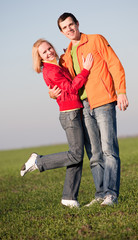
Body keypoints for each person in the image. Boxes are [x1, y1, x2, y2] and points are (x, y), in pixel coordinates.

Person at [49, 13, 129, 206]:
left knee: (109, 149)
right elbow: (64, 84)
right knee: (94, 154)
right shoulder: (65, 57)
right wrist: (52, 94)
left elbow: (114, 64)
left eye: (71, 25)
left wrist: (121, 91)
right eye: (64, 28)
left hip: (103, 101)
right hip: (83, 107)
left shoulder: (96, 40)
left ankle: (111, 195)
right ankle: (100, 194)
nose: (69, 29)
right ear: (61, 32)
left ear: (77, 24)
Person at [20, 39, 93, 208]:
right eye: (44, 52)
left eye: (49, 48)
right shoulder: (51, 71)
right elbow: (72, 88)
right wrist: (86, 70)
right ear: (39, 57)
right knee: (75, 155)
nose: (49, 52)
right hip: (70, 114)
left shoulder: (57, 66)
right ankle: (38, 162)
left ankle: (69, 197)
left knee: (76, 158)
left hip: (74, 111)